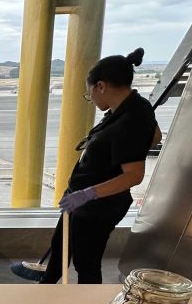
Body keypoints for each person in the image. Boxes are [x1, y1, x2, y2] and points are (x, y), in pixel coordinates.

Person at [40, 48, 161, 284]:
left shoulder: (131, 120)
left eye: (90, 94)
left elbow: (134, 176)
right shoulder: (132, 106)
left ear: (101, 86)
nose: (91, 99)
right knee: (60, 247)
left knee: (86, 262)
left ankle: (87, 303)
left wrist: (88, 193)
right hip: (82, 199)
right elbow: (154, 136)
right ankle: (46, 286)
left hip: (97, 206)